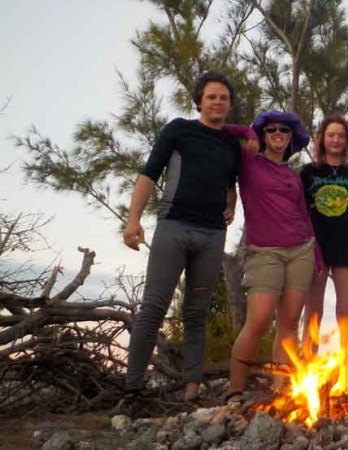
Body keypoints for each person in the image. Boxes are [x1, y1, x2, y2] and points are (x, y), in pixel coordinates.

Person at [113, 71, 241, 417]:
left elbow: (230, 182)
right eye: (212, 96)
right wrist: (133, 220)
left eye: (224, 98)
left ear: (229, 105)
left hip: (212, 236)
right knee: (154, 307)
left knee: (196, 314)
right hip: (174, 228)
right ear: (199, 101)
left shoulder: (231, 145)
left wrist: (232, 202)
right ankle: (133, 391)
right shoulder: (179, 130)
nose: (218, 102)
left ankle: (191, 391)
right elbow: (149, 173)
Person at [224, 110, 316, 404]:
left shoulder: (292, 174)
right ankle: (234, 391)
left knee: (289, 323)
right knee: (259, 319)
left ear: (290, 138)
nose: (278, 134)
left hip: (301, 249)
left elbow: (304, 215)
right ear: (263, 134)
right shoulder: (248, 162)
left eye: (284, 131)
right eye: (272, 129)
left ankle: (281, 390)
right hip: (264, 251)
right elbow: (222, 128)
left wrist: (318, 252)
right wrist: (249, 134)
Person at [300, 117, 348, 367]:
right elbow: (299, 210)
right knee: (313, 311)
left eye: (341, 136)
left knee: (346, 311)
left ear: (347, 141)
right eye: (331, 135)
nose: (336, 140)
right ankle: (306, 367)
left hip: (347, 247)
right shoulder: (308, 172)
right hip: (315, 248)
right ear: (322, 139)